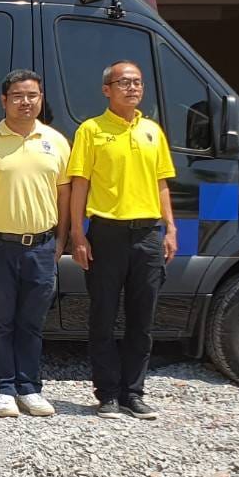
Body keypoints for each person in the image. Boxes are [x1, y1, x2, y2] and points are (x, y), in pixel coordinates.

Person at [67, 60, 177, 421]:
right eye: (124, 82)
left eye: (137, 82)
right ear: (106, 90)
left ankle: (134, 393)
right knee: (102, 317)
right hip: (106, 234)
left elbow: (161, 183)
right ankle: (108, 394)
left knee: (142, 320)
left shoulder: (152, 131)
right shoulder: (91, 131)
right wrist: (77, 233)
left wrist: (170, 228)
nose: (132, 88)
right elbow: (80, 184)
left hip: (147, 234)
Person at [0, 70, 71, 419]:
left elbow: (64, 195)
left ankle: (30, 388)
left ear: (41, 98)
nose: (25, 102)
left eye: (32, 95)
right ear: (4, 100)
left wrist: (61, 241)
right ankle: (3, 388)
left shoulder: (56, 142)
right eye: (17, 96)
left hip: (41, 246)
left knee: (32, 321)